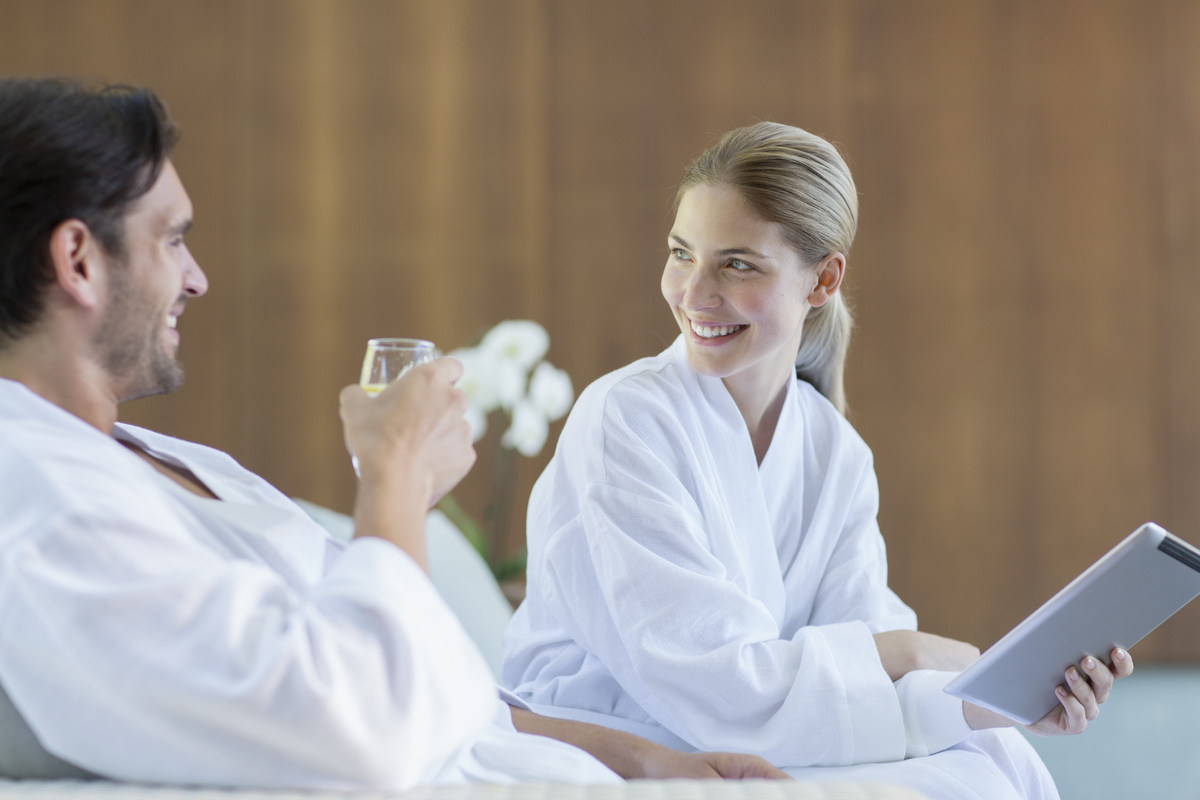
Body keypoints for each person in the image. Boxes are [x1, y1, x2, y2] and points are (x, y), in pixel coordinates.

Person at [0, 77, 787, 789]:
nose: (198, 277)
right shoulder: (39, 500)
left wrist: (646, 760)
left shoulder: (144, 459)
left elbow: (439, 685)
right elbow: (367, 723)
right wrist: (396, 476)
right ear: (77, 259)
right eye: (173, 240)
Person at [501, 122, 1133, 800]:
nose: (693, 293)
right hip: (618, 732)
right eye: (682, 253)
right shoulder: (624, 420)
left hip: (763, 732)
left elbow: (860, 657)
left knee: (994, 762)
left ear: (823, 280)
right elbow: (720, 683)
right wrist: (912, 652)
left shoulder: (834, 452)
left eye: (738, 264)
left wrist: (1009, 700)